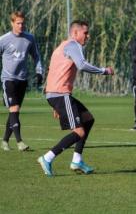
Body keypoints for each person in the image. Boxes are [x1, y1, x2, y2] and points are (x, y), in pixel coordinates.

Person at [37, 20, 114, 177]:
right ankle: (47, 158)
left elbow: (52, 69)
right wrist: (104, 71)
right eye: (85, 33)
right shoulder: (73, 45)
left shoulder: (62, 46)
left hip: (56, 94)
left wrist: (54, 104)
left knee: (88, 120)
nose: (88, 36)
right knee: (79, 132)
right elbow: (82, 65)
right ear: (75, 33)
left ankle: (76, 160)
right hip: (60, 94)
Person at [0, 11, 43, 151]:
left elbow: (36, 56)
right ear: (12, 23)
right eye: (18, 23)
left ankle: (5, 140)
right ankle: (20, 142)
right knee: (14, 109)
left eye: (23, 23)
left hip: (22, 80)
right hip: (8, 79)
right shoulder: (4, 39)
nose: (21, 25)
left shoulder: (29, 38)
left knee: (14, 113)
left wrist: (39, 71)